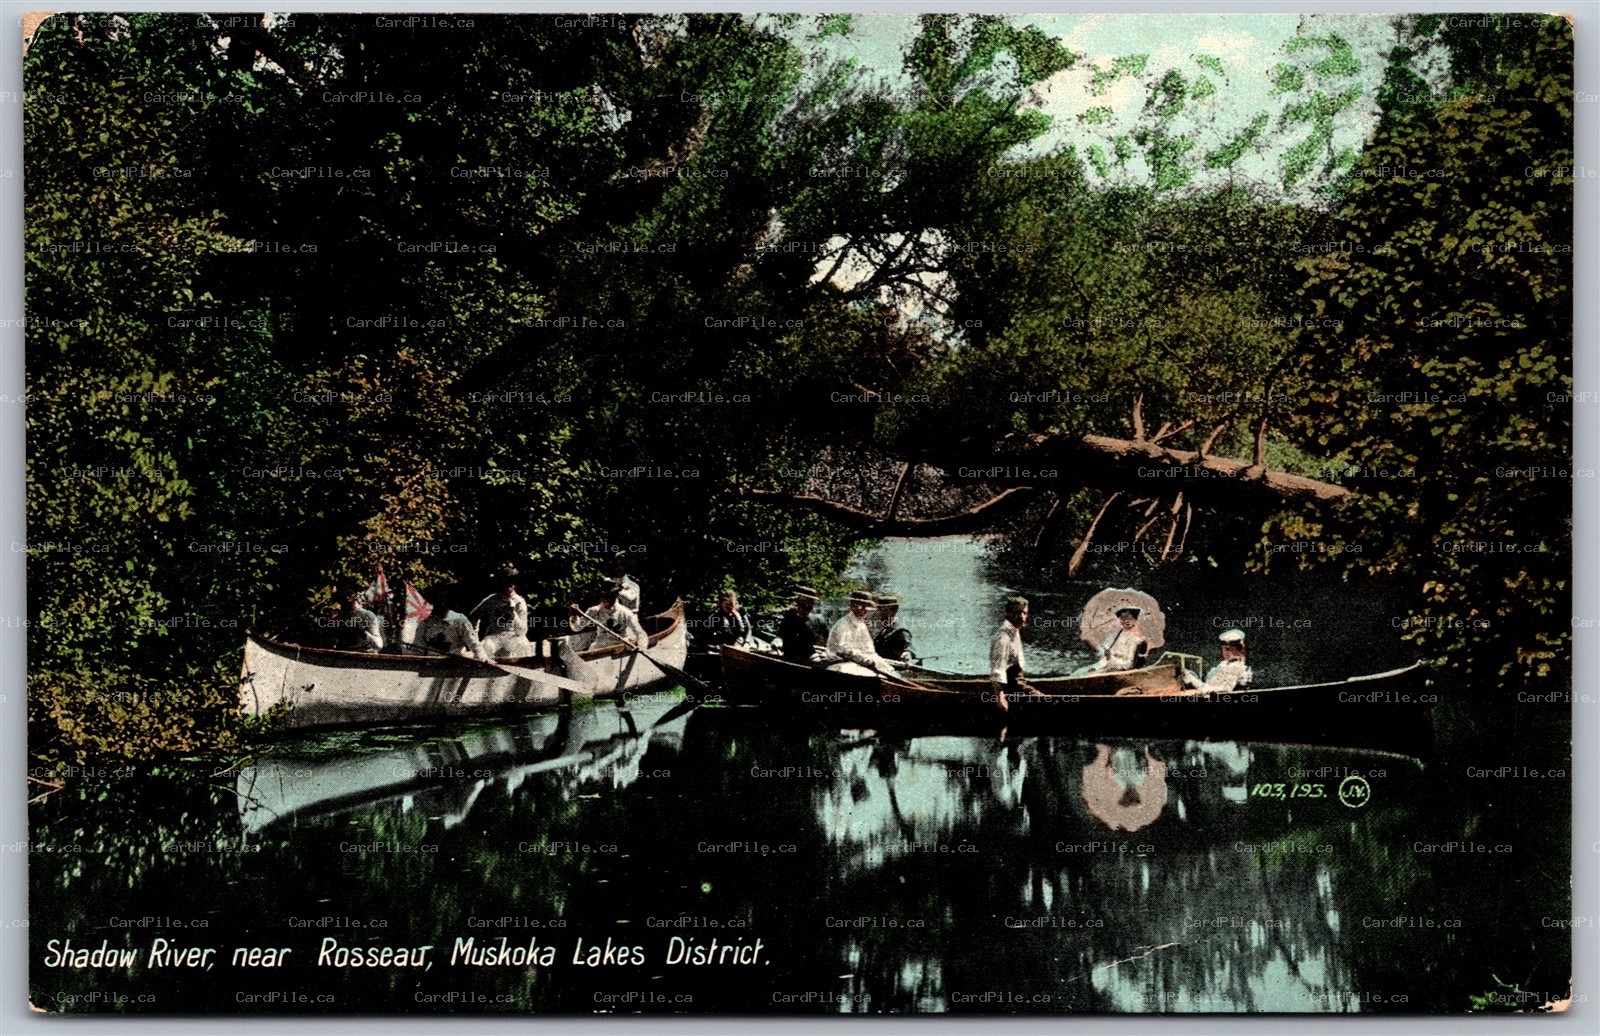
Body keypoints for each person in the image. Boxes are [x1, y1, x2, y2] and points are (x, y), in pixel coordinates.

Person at [567, 579, 648, 651]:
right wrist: (574, 615)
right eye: (604, 596)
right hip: (600, 647)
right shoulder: (594, 611)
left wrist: (641, 646)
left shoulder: (625, 613)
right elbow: (577, 628)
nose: (607, 599)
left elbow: (641, 634)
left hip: (620, 647)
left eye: (610, 596)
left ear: (616, 595)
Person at [828, 589, 896, 675]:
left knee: (889, 671)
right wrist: (864, 659)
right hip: (840, 664)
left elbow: (869, 651)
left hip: (860, 663)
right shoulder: (843, 624)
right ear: (852, 606)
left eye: (866, 606)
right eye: (860, 606)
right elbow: (844, 650)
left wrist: (883, 665)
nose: (863, 609)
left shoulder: (861, 625)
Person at [470, 564, 530, 658]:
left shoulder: (519, 602)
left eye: (511, 582)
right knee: (483, 648)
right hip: (495, 635)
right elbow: (474, 616)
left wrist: (513, 612)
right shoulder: (492, 599)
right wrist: (474, 637)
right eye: (505, 581)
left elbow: (522, 632)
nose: (508, 585)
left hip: (513, 636)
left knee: (524, 645)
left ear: (515, 584)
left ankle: (524, 670)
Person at [989, 596, 1036, 712]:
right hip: (1012, 687)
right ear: (1008, 613)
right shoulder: (1003, 637)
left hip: (1018, 683)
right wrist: (1000, 697)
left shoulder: (1014, 631)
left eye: (1024, 613)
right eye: (1018, 612)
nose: (1022, 617)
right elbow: (997, 669)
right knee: (1046, 700)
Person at [419, 588, 489, 662]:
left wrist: (482, 659)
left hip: (456, 664)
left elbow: (475, 645)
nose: (440, 603)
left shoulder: (460, 620)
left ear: (448, 601)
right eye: (437, 600)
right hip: (432, 665)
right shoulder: (425, 623)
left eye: (443, 599)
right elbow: (418, 648)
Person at [1182, 628, 1253, 693]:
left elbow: (1222, 691)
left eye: (1228, 649)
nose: (1225, 652)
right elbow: (1208, 683)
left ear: (1238, 650)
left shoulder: (1236, 667)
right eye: (1224, 649)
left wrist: (1192, 680)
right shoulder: (1224, 665)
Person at [1090, 606, 1150, 673]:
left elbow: (1129, 665)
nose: (1125, 620)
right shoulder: (1117, 636)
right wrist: (1099, 665)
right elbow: (1107, 657)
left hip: (1120, 672)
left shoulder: (1136, 640)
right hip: (1108, 668)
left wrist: (1111, 658)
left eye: (1128, 617)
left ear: (1135, 619)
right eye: (1122, 618)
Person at [777, 585, 827, 664]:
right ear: (798, 602)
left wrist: (822, 653)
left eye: (811, 602)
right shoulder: (788, 620)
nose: (807, 606)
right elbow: (782, 640)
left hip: (812, 659)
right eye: (804, 602)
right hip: (791, 660)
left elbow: (826, 641)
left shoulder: (818, 621)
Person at [334, 583, 384, 652]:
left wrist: (363, 632)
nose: (339, 604)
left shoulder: (368, 616)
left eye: (342, 599)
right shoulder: (340, 617)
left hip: (362, 657)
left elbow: (378, 644)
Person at [872, 593, 913, 663]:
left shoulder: (901, 631)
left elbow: (908, 646)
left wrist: (907, 653)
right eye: (880, 609)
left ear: (894, 611)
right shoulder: (883, 631)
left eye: (886, 610)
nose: (882, 613)